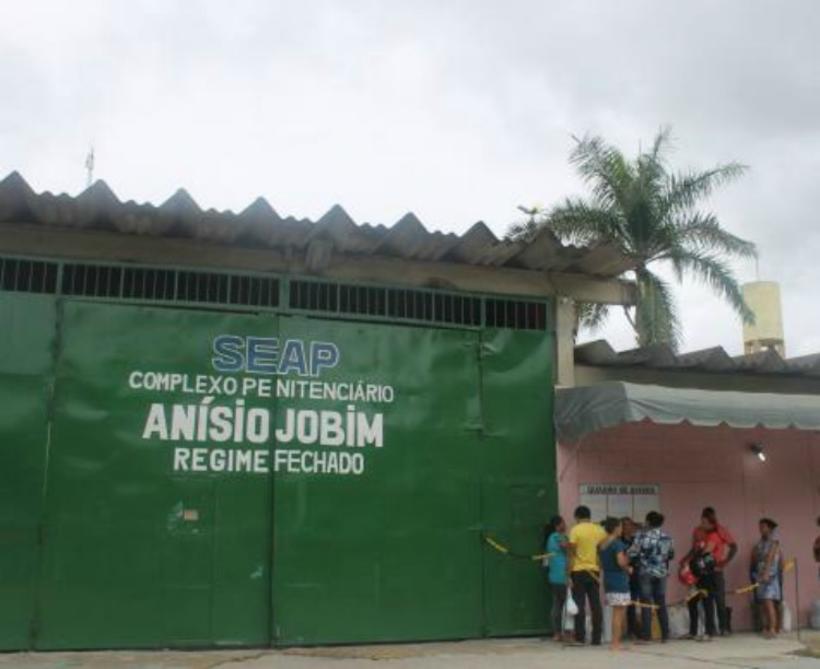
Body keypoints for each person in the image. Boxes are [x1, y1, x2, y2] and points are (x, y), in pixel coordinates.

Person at [684, 507, 737, 636]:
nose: (702, 524)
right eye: (701, 521)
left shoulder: (717, 533)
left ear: (711, 521)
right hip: (701, 571)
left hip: (714, 571)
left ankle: (721, 628)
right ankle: (704, 630)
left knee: (718, 600)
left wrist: (724, 563)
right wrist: (687, 562)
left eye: (705, 522)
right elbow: (695, 550)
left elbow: (732, 547)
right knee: (701, 600)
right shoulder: (698, 531)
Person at [630, 511, 674, 642]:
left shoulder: (641, 536)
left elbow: (633, 552)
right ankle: (665, 634)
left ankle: (646, 635)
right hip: (661, 573)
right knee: (661, 602)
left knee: (646, 603)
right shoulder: (667, 537)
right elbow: (671, 555)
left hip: (646, 572)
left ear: (648, 522)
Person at [568, 505, 607, 645]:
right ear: (589, 516)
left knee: (579, 603)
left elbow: (571, 553)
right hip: (594, 571)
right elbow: (602, 548)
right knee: (595, 604)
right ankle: (596, 638)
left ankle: (580, 637)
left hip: (578, 571)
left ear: (577, 517)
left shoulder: (575, 529)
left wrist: (568, 573)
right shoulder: (598, 529)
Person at [599, 517, 632, 651]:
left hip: (608, 578)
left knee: (617, 611)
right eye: (620, 526)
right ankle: (615, 643)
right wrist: (628, 566)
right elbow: (620, 562)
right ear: (615, 528)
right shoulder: (617, 544)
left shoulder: (602, 544)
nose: (621, 529)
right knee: (619, 613)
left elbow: (600, 563)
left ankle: (616, 641)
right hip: (619, 579)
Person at [751, 518, 783, 638]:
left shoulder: (774, 541)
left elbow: (770, 557)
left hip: (770, 575)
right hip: (760, 575)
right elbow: (757, 556)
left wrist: (766, 572)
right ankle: (766, 627)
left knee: (769, 601)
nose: (760, 529)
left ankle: (773, 628)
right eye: (759, 527)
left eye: (763, 526)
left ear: (769, 528)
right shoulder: (760, 543)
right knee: (763, 602)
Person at [684, 532, 718, 641]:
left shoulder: (708, 556)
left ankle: (709, 632)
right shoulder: (695, 555)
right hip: (697, 584)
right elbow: (692, 568)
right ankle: (693, 632)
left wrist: (697, 572)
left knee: (708, 606)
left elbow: (708, 568)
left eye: (698, 538)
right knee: (691, 602)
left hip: (707, 583)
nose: (696, 542)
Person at [544, 515, 570, 642]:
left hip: (554, 576)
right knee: (566, 605)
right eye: (563, 523)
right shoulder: (557, 536)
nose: (565, 525)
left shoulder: (550, 538)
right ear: (558, 525)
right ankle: (564, 632)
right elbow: (568, 548)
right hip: (562, 576)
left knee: (557, 605)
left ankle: (557, 633)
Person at [620, 517, 642, 640]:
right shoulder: (619, 541)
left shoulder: (636, 540)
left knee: (633, 602)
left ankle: (632, 630)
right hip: (623, 574)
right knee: (622, 603)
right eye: (625, 525)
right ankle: (621, 630)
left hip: (635, 573)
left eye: (630, 525)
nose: (628, 527)